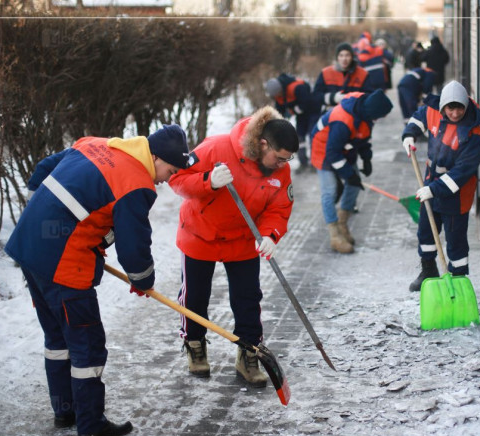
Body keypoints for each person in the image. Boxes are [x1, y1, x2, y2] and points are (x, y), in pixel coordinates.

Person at [4, 124, 191, 436]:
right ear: (155, 157)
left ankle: (66, 410)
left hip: (28, 245)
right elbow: (134, 244)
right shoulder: (137, 184)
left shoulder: (94, 143)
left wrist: (43, 211)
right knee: (86, 342)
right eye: (169, 170)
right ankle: (91, 424)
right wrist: (142, 279)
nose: (166, 179)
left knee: (58, 336)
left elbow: (44, 168)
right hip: (64, 262)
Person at [168, 107, 299, 386]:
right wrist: (208, 182)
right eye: (279, 158)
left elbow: (279, 207)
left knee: (248, 298)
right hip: (200, 234)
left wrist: (270, 235)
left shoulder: (281, 169)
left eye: (287, 160)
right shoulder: (216, 147)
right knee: (195, 297)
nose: (281, 165)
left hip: (242, 238)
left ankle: (248, 354)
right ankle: (195, 345)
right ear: (263, 144)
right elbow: (177, 180)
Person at [402, 80, 480, 291]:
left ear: (466, 106)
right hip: (430, 182)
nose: (455, 113)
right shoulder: (433, 111)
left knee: (455, 239)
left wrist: (433, 190)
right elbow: (418, 118)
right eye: (450, 108)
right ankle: (428, 271)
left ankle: (458, 281)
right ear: (443, 106)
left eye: (459, 108)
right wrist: (409, 135)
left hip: (457, 194)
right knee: (426, 231)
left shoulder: (474, 136)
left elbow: (460, 173)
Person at [310, 89, 393, 253]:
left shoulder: (365, 112)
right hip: (324, 150)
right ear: (373, 113)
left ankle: (342, 223)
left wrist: (367, 158)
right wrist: (349, 174)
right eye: (380, 116)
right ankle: (334, 235)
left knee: (354, 185)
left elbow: (363, 137)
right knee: (329, 191)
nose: (380, 119)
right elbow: (332, 153)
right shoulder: (343, 121)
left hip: (345, 148)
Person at [265, 74, 321, 173]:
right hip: (301, 115)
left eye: (278, 94)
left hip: (313, 111)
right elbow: (280, 110)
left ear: (281, 90)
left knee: (314, 136)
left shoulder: (297, 87)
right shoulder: (277, 95)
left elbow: (305, 104)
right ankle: (303, 162)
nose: (278, 97)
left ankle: (315, 163)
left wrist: (291, 112)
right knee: (299, 137)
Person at [313, 42, 374, 111]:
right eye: (341, 55)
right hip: (330, 115)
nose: (344, 59)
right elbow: (316, 96)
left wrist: (352, 100)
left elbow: (369, 97)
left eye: (347, 55)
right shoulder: (325, 73)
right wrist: (333, 98)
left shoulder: (363, 74)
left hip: (355, 115)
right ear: (337, 58)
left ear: (352, 57)